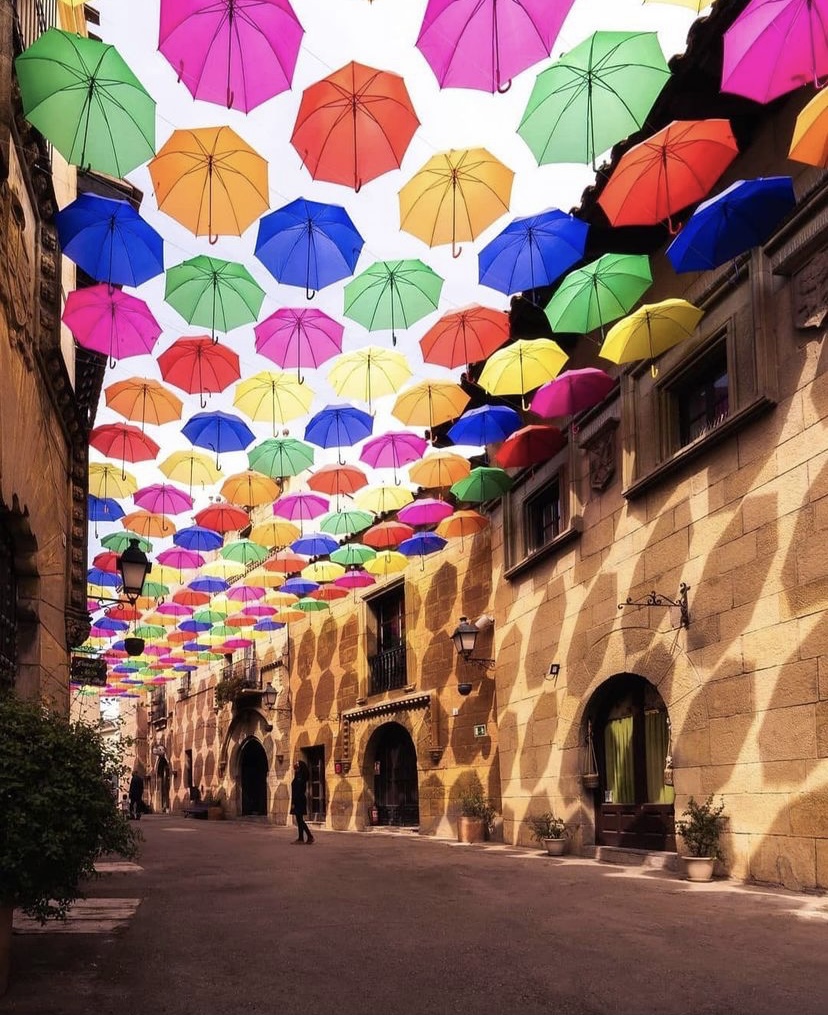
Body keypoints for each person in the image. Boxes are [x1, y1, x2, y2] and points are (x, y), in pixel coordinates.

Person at [290, 760, 314, 844]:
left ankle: (308, 837)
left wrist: (293, 803)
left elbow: (297, 791)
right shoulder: (298, 776)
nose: (295, 765)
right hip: (299, 799)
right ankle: (302, 838)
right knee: (299, 819)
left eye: (297, 764)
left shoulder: (301, 777)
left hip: (299, 800)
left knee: (300, 819)